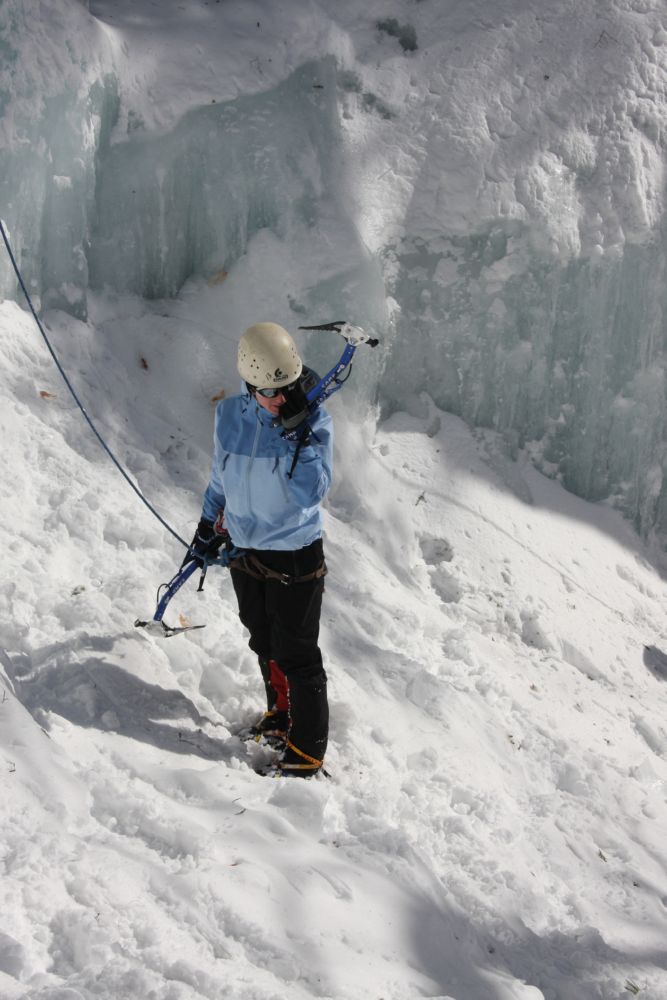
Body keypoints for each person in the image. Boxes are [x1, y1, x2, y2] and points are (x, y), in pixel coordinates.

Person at [186, 322, 333, 777]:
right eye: (270, 392)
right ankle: (281, 716)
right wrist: (208, 524)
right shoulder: (230, 415)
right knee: (264, 639)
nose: (280, 400)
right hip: (244, 549)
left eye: (287, 389)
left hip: (294, 553)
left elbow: (313, 491)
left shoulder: (311, 418)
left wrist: (297, 436)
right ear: (250, 385)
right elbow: (221, 476)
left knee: (298, 654)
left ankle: (306, 755)